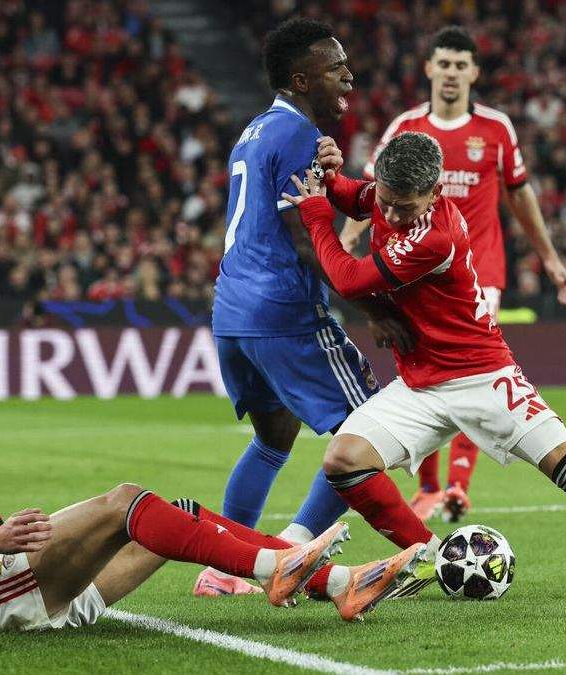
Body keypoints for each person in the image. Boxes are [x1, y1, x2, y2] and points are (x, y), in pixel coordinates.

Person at [282, 132, 566, 598]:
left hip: (484, 375)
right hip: (420, 384)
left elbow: (349, 280)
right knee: (345, 460)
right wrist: (329, 177)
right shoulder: (393, 196)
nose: (390, 215)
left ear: (435, 193)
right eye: (386, 201)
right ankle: (429, 558)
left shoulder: (435, 236)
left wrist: (313, 213)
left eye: (403, 207)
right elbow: (357, 197)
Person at [0, 318, 425, 629]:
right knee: (126, 500)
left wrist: (3, 539)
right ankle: (276, 567)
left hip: (11, 586)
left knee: (179, 517)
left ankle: (342, 585)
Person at [204, 18, 413, 596]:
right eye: (335, 67)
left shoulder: (255, 130)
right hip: (283, 309)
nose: (349, 74)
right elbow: (305, 234)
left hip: (234, 310)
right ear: (301, 79)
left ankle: (223, 568)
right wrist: (371, 306)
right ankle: (292, 551)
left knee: (274, 436)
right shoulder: (294, 133)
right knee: (370, 431)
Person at [339, 26, 566, 524]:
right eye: (443, 64)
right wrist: (346, 237)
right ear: (429, 69)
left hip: (476, 271)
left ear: (473, 72)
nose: (451, 74)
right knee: (422, 368)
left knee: (469, 373)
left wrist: (550, 256)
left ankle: (456, 486)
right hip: (409, 271)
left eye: (460, 65)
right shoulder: (406, 127)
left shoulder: (496, 129)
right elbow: (372, 188)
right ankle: (429, 485)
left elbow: (521, 194)